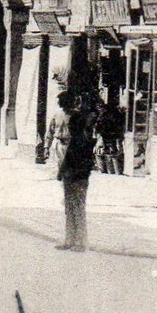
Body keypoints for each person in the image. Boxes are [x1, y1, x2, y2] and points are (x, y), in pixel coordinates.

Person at [57, 91, 96, 252]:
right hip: (73, 176)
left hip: (77, 176)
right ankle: (71, 239)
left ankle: (79, 241)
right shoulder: (80, 142)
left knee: (77, 208)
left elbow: (80, 160)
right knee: (71, 207)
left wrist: (64, 171)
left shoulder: (83, 142)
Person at [97, 99, 125, 176]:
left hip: (107, 136)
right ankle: (116, 172)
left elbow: (99, 127)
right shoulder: (116, 114)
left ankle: (109, 172)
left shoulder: (103, 115)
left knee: (106, 153)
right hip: (116, 136)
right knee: (114, 154)